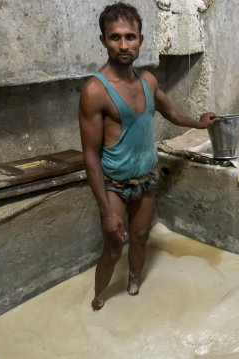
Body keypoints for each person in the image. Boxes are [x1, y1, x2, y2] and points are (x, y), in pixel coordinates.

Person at [78, 2, 218, 311]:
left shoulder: (149, 81)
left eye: (130, 37)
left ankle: (134, 285)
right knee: (114, 248)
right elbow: (89, 155)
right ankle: (99, 296)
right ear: (103, 40)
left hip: (146, 179)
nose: (124, 45)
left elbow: (171, 112)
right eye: (115, 37)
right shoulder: (95, 91)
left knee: (141, 237)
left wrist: (198, 123)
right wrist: (105, 210)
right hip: (115, 184)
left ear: (141, 39)